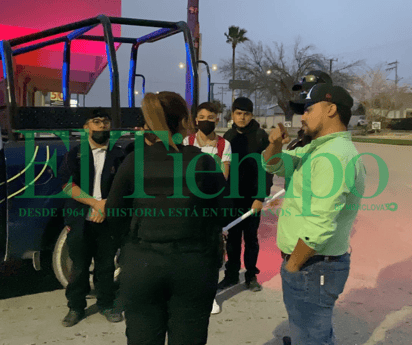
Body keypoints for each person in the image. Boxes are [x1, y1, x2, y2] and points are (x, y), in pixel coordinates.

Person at [105, 92, 231, 345]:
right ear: (185, 121)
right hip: (192, 265)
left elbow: (113, 213)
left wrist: (129, 245)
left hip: (142, 264)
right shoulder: (202, 162)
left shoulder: (133, 161)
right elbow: (225, 211)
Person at [262, 84, 366, 345]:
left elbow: (320, 224)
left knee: (311, 337)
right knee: (310, 333)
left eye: (309, 109)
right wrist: (274, 145)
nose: (303, 116)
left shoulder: (334, 156)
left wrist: (293, 265)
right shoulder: (316, 149)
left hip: (313, 264)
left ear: (331, 109)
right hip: (312, 263)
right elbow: (274, 165)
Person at [59, 108, 125, 327]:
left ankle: (106, 304)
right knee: (78, 267)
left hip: (108, 219)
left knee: (106, 266)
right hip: (80, 218)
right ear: (86, 127)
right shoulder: (74, 154)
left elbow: (124, 187)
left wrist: (105, 207)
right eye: (96, 121)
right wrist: (95, 204)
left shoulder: (120, 155)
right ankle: (75, 307)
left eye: (106, 122)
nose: (102, 125)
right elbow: (68, 186)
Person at [219, 97, 273, 292]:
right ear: (232, 114)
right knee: (232, 239)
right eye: (239, 113)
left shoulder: (260, 136)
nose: (242, 117)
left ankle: (251, 275)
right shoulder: (228, 137)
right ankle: (231, 274)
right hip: (232, 197)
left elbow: (268, 169)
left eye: (246, 114)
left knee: (251, 238)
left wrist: (260, 197)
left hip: (253, 198)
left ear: (252, 115)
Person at [183, 101, 232, 315]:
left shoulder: (224, 145)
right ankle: (189, 293)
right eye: (201, 117)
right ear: (195, 120)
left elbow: (224, 175)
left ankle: (210, 296)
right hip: (190, 205)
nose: (205, 121)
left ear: (217, 120)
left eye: (210, 118)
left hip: (212, 205)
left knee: (212, 253)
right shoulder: (187, 141)